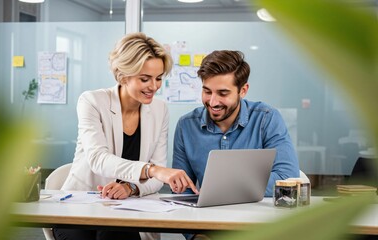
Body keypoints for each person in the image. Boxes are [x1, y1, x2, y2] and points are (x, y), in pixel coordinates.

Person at [53, 32, 197, 240]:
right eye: (145, 79)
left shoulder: (159, 110)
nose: (154, 87)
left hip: (126, 209)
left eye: (158, 78)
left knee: (115, 235)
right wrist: (152, 170)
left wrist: (130, 187)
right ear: (122, 75)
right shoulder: (92, 101)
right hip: (80, 205)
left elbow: (156, 181)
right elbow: (98, 159)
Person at [172, 50, 299, 198]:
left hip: (257, 215)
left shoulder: (266, 118)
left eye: (223, 93)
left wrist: (223, 187)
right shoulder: (186, 126)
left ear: (243, 90)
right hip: (208, 216)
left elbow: (287, 178)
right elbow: (183, 190)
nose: (213, 102)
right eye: (207, 91)